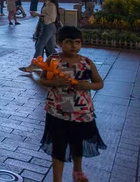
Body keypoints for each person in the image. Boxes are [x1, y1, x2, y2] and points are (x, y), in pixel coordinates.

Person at [39, 26, 106, 182]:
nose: (74, 46)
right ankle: (57, 179)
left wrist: (88, 86)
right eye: (69, 42)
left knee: (78, 142)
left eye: (78, 42)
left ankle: (78, 170)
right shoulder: (53, 60)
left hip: (81, 112)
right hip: (57, 112)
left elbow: (99, 83)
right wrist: (54, 82)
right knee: (58, 146)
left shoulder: (86, 63)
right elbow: (42, 79)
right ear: (59, 42)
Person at [19, 0, 60, 73]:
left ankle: (34, 65)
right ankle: (60, 63)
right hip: (47, 27)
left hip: (49, 27)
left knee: (39, 45)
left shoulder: (51, 5)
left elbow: (51, 18)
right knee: (50, 48)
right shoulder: (47, 4)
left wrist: (37, 15)